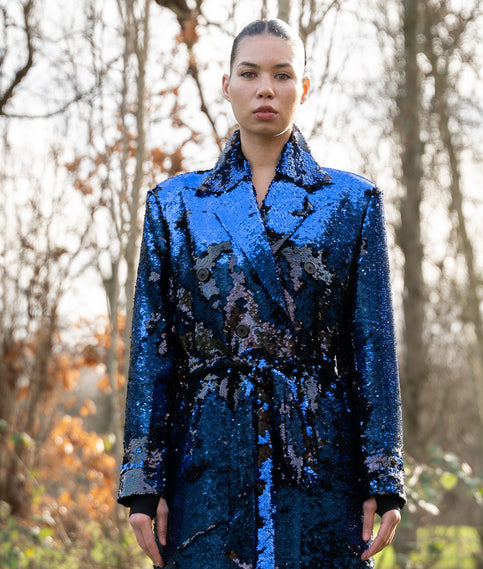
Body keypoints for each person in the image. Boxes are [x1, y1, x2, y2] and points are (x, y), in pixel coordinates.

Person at [118, 18, 406, 569]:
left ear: (304, 87)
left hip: (320, 455)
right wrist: (142, 483)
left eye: (282, 74)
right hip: (206, 454)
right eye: (249, 74)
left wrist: (383, 476)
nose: (265, 89)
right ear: (227, 85)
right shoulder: (175, 205)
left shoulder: (351, 202)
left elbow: (372, 349)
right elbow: (153, 351)